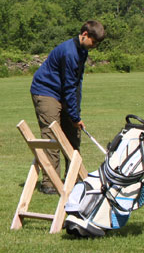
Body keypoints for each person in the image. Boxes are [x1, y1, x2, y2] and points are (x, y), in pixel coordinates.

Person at [30, 21, 105, 195]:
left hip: (62, 91)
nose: (94, 46)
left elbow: (76, 84)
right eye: (93, 41)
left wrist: (75, 115)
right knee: (52, 135)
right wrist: (74, 115)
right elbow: (70, 86)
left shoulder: (82, 51)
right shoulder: (70, 52)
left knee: (73, 134)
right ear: (85, 34)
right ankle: (50, 183)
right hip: (46, 91)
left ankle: (75, 179)